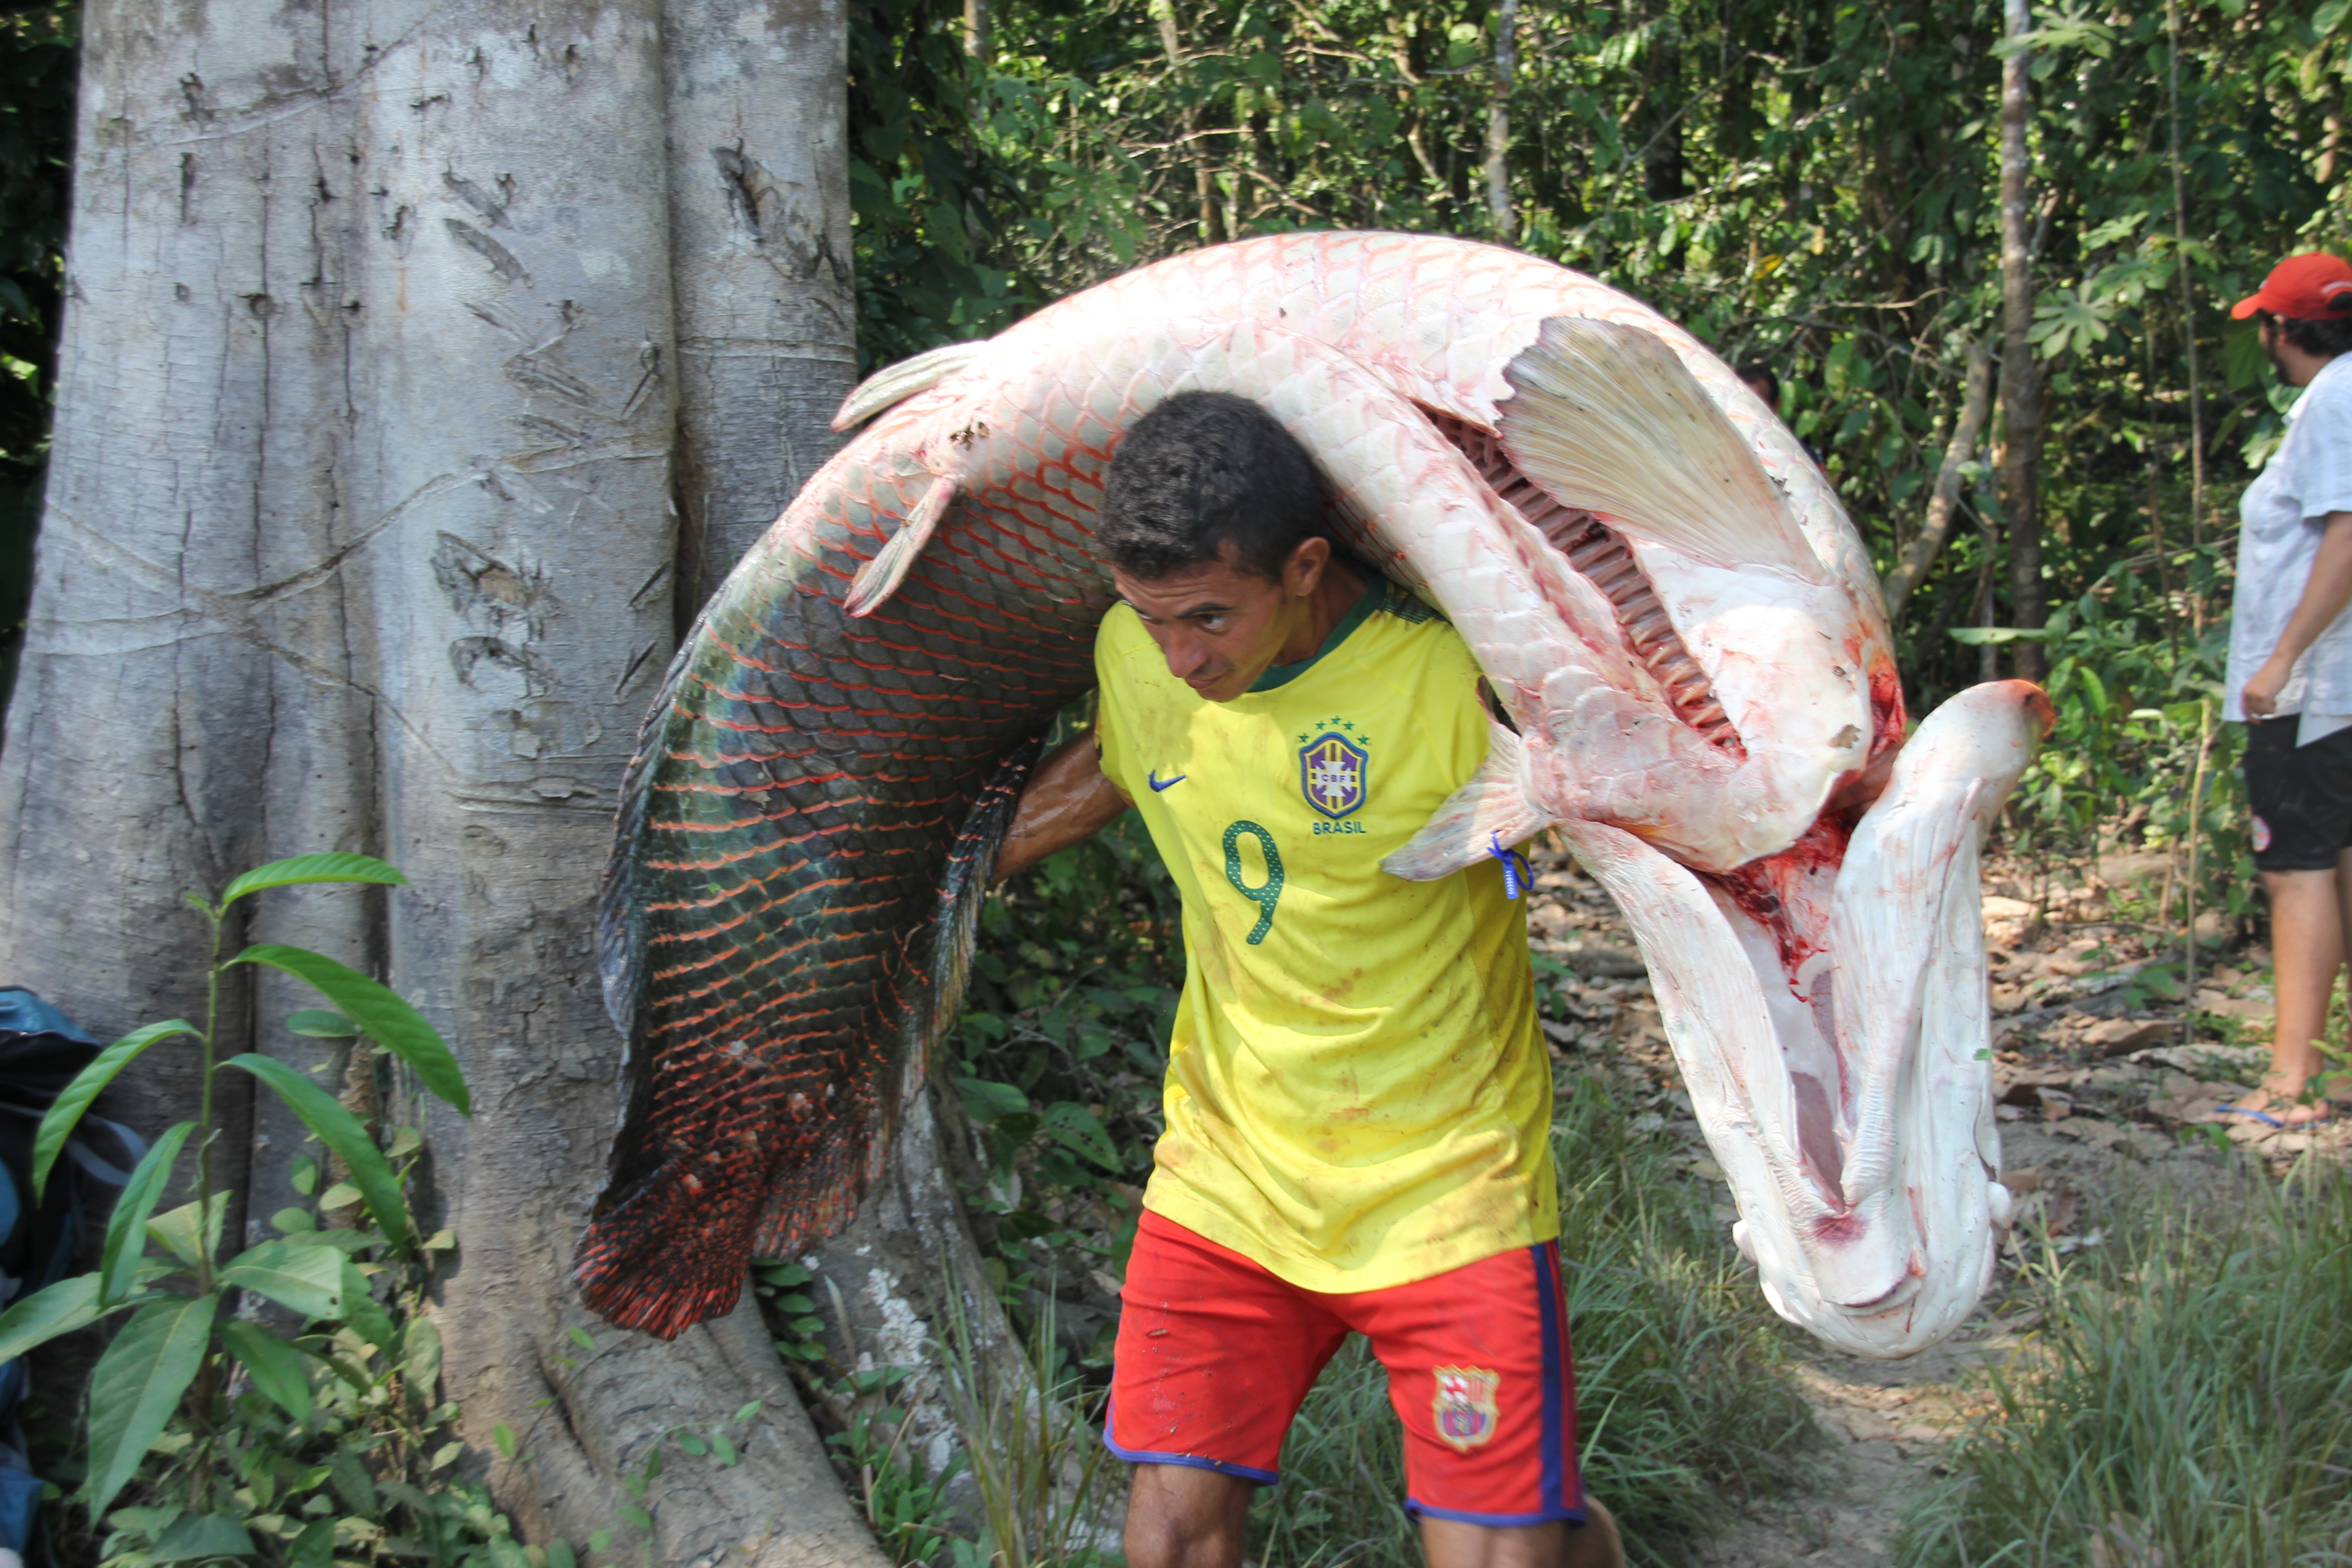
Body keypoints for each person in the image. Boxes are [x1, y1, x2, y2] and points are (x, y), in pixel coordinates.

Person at [993, 391, 1625, 1568]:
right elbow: (1119, 770)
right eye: (1150, 619)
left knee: (1508, 1546)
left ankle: (1549, 1514)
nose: (1179, 659)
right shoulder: (1142, 660)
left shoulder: (1452, 687)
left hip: (1448, 1189)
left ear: (1305, 566)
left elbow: (1634, 797)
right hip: (1227, 1180)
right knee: (1170, 1537)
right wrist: (919, 875)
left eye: (1209, 619)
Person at [2213, 252, 2352, 1129]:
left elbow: (2347, 532)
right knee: (2336, 867)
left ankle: (2290, 1081)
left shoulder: (2335, 400)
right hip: (2334, 690)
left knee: (2295, 872)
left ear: (2281, 329)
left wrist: (2280, 662)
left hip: (2312, 689)